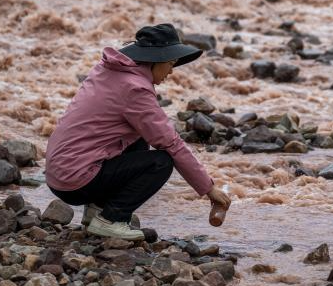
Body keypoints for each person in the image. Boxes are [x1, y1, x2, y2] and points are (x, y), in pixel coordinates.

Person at [45, 23, 231, 240]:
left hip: (59, 172)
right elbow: (171, 143)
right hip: (75, 181)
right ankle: (110, 219)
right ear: (155, 60)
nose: (171, 71)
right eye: (171, 64)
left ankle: (96, 211)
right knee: (162, 161)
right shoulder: (135, 89)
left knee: (139, 137)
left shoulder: (109, 70)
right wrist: (209, 189)